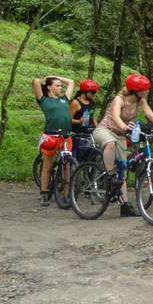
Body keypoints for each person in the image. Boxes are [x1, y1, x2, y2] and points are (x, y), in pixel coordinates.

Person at [92, 74, 153, 217]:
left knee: (123, 169)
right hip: (105, 130)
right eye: (145, 89)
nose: (147, 91)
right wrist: (124, 127)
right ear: (136, 90)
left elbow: (151, 115)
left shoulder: (141, 101)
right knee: (110, 144)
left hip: (121, 135)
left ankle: (125, 206)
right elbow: (116, 116)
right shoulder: (119, 99)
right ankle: (110, 176)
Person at [32, 76, 75, 207]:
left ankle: (66, 194)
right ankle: (44, 193)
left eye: (60, 86)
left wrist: (56, 77)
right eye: (57, 85)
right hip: (51, 136)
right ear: (49, 87)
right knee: (48, 166)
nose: (60, 88)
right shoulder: (43, 100)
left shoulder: (64, 99)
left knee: (67, 165)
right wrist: (46, 78)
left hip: (66, 136)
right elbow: (35, 82)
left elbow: (71, 82)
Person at [68, 79, 100, 160]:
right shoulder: (75, 103)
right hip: (75, 133)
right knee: (75, 156)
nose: (94, 95)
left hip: (87, 133)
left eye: (95, 93)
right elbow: (68, 119)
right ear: (84, 92)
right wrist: (79, 121)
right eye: (92, 92)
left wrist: (99, 128)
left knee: (91, 153)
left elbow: (93, 117)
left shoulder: (91, 102)